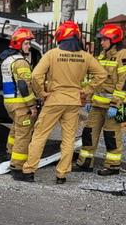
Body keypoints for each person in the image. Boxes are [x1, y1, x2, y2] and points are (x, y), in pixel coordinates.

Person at [19, 21, 107, 184]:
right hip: (73, 102)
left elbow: (35, 76)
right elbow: (102, 75)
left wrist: (42, 93)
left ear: (61, 36)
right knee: (68, 139)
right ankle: (61, 175)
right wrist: (86, 90)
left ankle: (29, 171)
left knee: (40, 135)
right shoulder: (86, 56)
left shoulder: (52, 54)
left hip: (54, 99)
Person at [74, 22, 126, 176]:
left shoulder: (123, 54)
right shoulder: (102, 54)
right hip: (97, 104)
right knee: (89, 132)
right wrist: (90, 97)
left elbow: (125, 81)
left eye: (104, 39)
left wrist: (116, 104)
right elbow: (97, 79)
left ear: (113, 39)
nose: (101, 42)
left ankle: (113, 166)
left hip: (114, 106)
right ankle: (85, 163)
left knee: (111, 135)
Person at [0, 27, 38, 173]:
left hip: (9, 103)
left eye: (29, 43)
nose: (29, 46)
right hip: (21, 103)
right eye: (26, 44)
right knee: (24, 134)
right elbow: (24, 85)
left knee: (16, 129)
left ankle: (9, 152)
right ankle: (17, 165)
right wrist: (32, 105)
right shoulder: (21, 62)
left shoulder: (7, 60)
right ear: (18, 45)